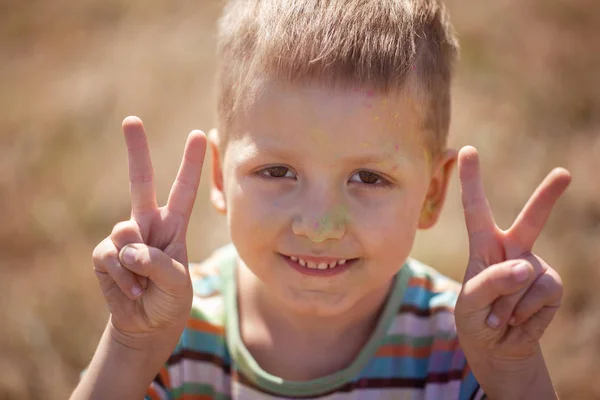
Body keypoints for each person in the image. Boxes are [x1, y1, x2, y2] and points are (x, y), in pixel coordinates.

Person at [71, 0, 572, 398]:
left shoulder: (468, 348)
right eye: (277, 171)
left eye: (369, 178)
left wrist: (514, 375)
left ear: (432, 193)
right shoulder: (170, 330)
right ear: (221, 179)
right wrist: (130, 347)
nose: (318, 225)